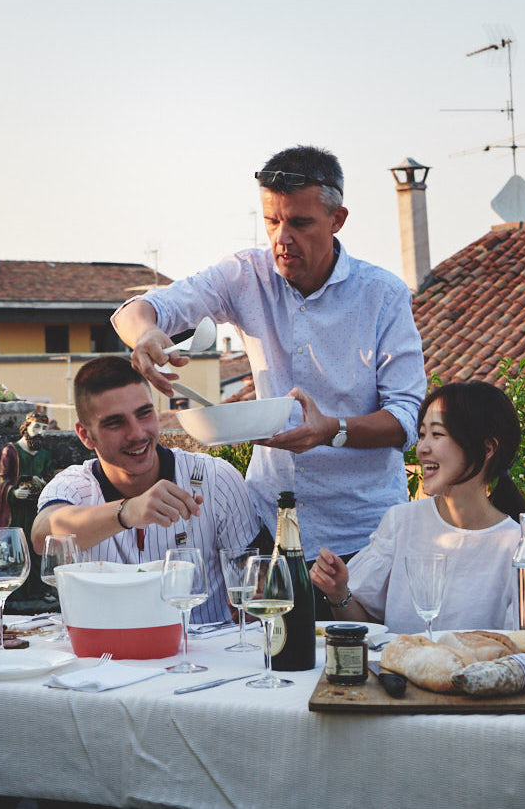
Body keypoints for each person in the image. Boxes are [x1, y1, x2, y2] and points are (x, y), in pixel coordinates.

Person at [113, 145, 427, 580]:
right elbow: (139, 309)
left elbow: (406, 420)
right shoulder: (244, 275)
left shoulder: (383, 294)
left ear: (337, 221)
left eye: (299, 223)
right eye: (271, 221)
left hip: (365, 535)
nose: (281, 238)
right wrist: (146, 334)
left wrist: (331, 431)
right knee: (271, 648)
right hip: (268, 528)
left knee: (361, 650)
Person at [31, 357, 260, 622]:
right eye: (115, 423)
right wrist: (127, 512)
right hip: (105, 656)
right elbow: (42, 535)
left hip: (203, 657)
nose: (137, 433)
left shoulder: (215, 478)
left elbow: (255, 592)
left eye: (144, 413)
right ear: (85, 435)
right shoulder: (74, 486)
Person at [308, 381, 525, 632]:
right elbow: (370, 633)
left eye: (437, 434)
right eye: (422, 434)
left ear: (487, 448)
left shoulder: (521, 547)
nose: (422, 448)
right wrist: (339, 593)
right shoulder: (401, 522)